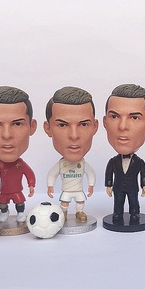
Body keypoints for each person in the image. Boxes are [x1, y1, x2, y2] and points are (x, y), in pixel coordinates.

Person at [0, 86, 37, 223]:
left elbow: (29, 174)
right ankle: (4, 212)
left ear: (32, 127)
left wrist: (31, 184)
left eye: (17, 124)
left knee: (19, 202)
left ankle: (20, 213)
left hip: (17, 191)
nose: (7, 135)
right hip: (3, 192)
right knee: (3, 203)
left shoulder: (20, 165)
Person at [44, 87, 98, 222]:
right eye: (63, 125)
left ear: (95, 127)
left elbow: (90, 173)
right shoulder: (61, 164)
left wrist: (91, 185)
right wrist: (50, 185)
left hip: (78, 189)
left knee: (80, 201)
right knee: (65, 202)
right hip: (66, 190)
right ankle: (64, 213)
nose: (74, 136)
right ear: (48, 128)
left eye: (83, 124)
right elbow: (52, 174)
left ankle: (79, 212)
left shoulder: (83, 164)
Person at [103, 84, 145, 224]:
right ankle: (117, 214)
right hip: (118, 188)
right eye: (114, 116)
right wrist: (108, 185)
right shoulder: (113, 161)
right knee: (118, 202)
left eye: (134, 118)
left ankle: (134, 214)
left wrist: (144, 185)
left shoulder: (139, 162)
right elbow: (109, 173)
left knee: (134, 202)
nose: (122, 126)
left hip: (133, 188)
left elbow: (143, 174)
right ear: (105, 122)